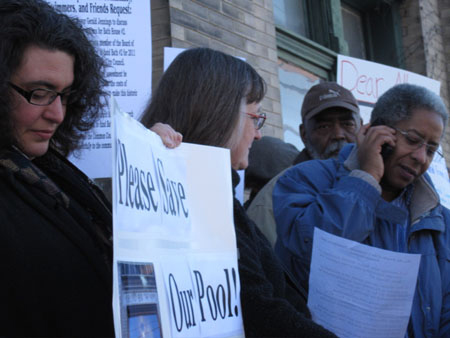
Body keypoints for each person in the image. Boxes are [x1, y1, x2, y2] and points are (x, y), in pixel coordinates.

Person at [0, 1, 180, 335]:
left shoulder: (49, 169)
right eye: (39, 92)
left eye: (65, 95)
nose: (57, 113)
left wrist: (151, 163)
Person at [141, 47, 337, 337]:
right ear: (218, 115)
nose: (258, 133)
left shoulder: (217, 195)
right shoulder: (191, 198)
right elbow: (258, 310)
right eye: (255, 118)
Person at [273, 83, 450, 337]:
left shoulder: (440, 221)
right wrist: (366, 178)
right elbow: (316, 248)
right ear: (375, 132)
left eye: (431, 150)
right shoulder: (301, 181)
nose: (421, 157)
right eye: (412, 140)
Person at [246, 82, 362, 246]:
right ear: (304, 134)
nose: (338, 134)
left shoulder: (383, 186)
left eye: (347, 124)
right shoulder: (272, 200)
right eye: (324, 126)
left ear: (361, 128)